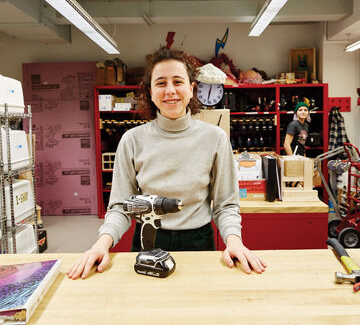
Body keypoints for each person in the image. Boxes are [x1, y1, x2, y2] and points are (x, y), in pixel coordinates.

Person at [67, 47, 266, 280]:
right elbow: (121, 206)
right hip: (148, 239)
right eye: (161, 83)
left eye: (178, 81)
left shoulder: (215, 138)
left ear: (192, 90)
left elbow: (225, 205)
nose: (170, 90)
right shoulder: (132, 140)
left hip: (198, 240)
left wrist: (234, 242)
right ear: (150, 92)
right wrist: (101, 244)